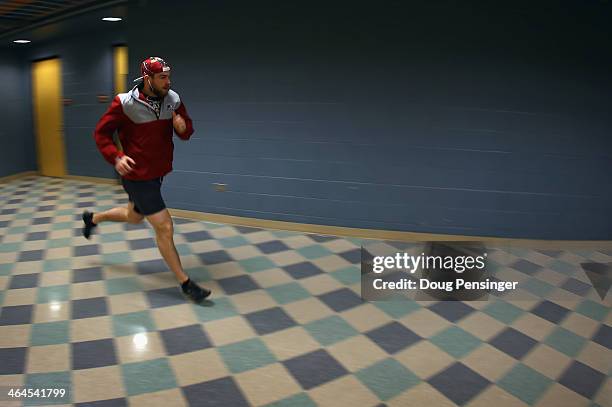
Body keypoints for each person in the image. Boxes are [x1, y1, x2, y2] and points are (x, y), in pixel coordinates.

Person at [82, 56, 211, 303]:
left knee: (134, 216)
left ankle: (93, 218)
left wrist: (183, 128)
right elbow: (101, 134)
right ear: (147, 79)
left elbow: (185, 131)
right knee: (164, 226)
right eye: (162, 77)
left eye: (168, 76)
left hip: (157, 173)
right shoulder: (125, 103)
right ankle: (185, 283)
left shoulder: (173, 99)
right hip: (136, 175)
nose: (168, 82)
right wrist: (116, 157)